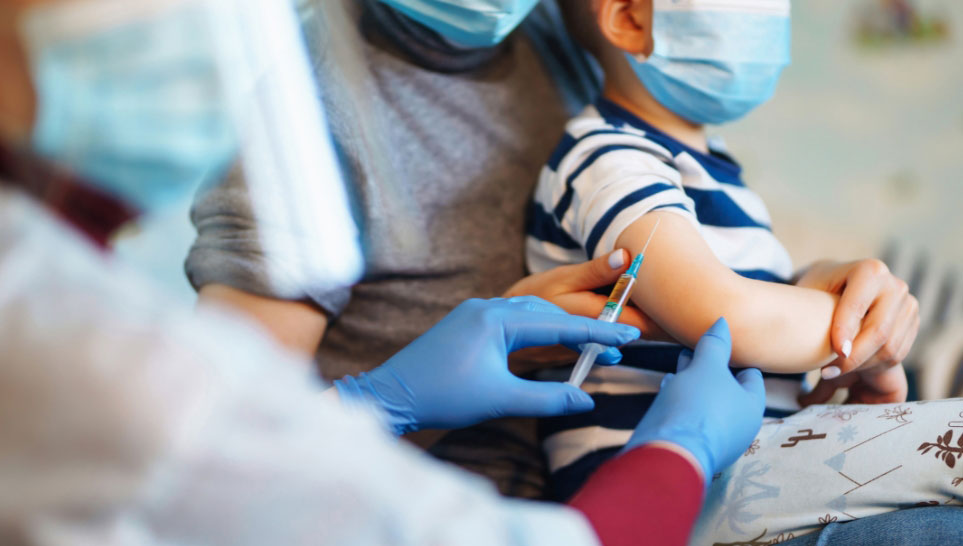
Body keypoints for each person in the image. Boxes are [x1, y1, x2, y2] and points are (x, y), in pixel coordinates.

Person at [0, 2, 770, 544]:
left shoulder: (556, 49)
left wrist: (811, 281)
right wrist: (677, 452)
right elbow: (232, 455)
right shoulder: (109, 370)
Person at [527, 0, 921, 500]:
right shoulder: (608, 159)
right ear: (630, 19)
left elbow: (744, 301)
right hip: (644, 484)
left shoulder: (712, 168)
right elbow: (727, 317)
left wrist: (815, 279)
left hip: (733, 472)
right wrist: (867, 328)